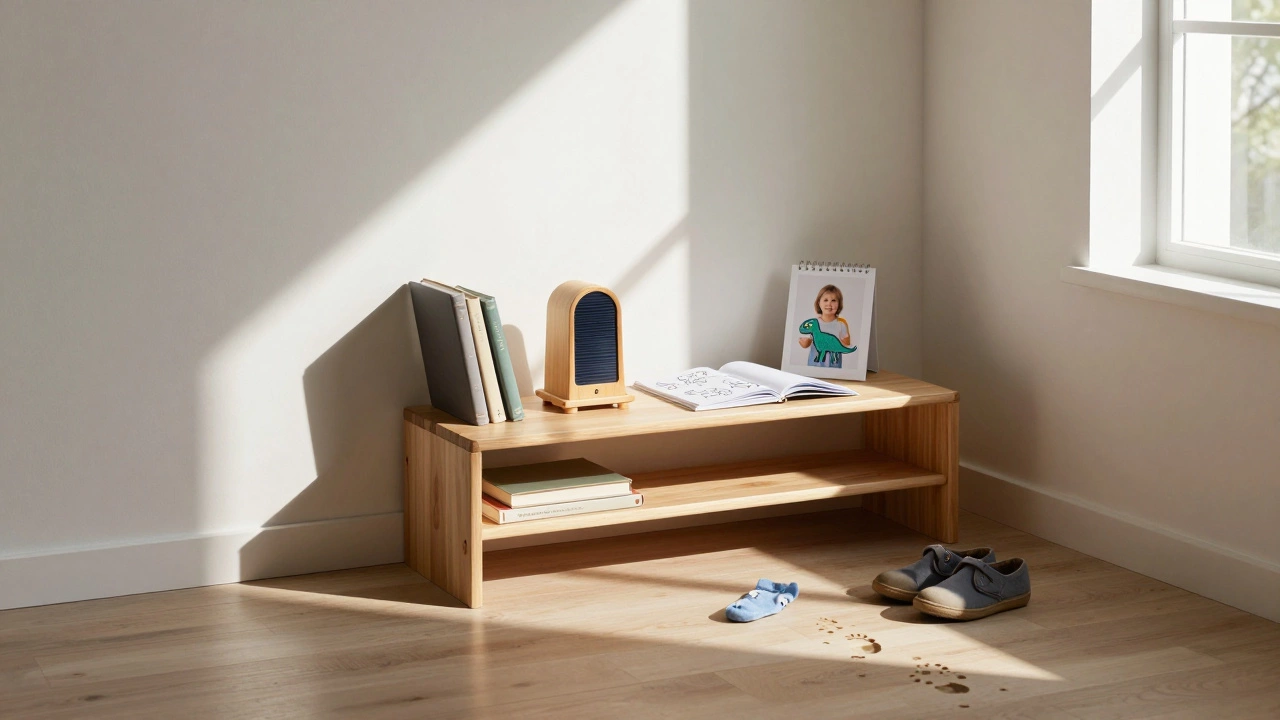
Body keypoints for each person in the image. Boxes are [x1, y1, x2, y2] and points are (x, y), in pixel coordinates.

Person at [797, 284, 851, 367]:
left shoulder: (841, 324)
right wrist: (806, 343)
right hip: (814, 365)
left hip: (834, 366)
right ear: (819, 303)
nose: (829, 304)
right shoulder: (814, 323)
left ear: (839, 303)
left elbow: (847, 344)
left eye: (833, 300)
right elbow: (810, 341)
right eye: (825, 300)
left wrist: (841, 341)